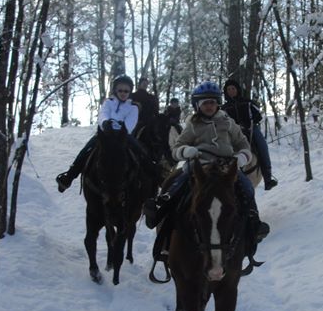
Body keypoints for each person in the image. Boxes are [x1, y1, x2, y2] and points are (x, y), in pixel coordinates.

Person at [143, 81, 269, 257]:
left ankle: (254, 223)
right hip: (198, 165)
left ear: (217, 103)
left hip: (225, 167)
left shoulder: (228, 122)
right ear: (198, 106)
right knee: (176, 183)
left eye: (212, 102)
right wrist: (186, 151)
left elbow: (243, 143)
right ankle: (160, 212)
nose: (209, 106)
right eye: (205, 103)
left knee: (246, 187)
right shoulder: (193, 125)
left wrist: (242, 157)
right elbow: (177, 148)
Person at [55, 74, 155, 192]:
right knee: (86, 150)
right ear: (115, 90)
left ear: (130, 92)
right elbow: (103, 114)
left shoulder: (133, 107)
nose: (123, 93)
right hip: (105, 134)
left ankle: (154, 178)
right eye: (120, 90)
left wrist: (121, 129)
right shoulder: (108, 102)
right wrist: (105, 124)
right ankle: (69, 176)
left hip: (123, 137)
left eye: (126, 91)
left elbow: (130, 123)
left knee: (141, 153)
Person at [221, 78, 278, 190]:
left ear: (237, 90)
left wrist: (250, 122)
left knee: (262, 146)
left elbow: (258, 115)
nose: (231, 91)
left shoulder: (247, 103)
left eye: (233, 88)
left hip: (250, 129)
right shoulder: (224, 108)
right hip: (232, 133)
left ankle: (267, 177)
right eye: (229, 89)